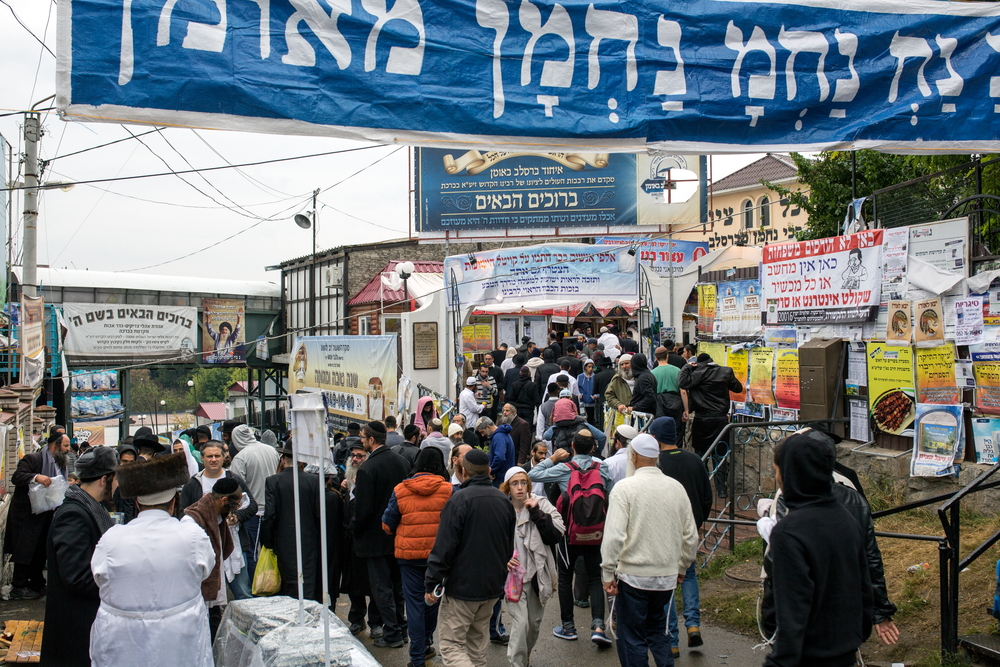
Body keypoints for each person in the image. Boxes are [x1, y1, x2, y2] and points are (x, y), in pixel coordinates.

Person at [90, 453, 214, 667]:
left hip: (122, 642)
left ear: (137, 503)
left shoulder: (112, 538)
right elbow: (206, 570)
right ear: (174, 502)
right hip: (179, 640)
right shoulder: (192, 535)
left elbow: (99, 577)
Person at [762, 433, 873, 667]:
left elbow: (793, 612)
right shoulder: (846, 518)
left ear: (791, 472)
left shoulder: (789, 532)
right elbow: (864, 585)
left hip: (808, 656)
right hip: (844, 651)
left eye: (777, 470)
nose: (776, 477)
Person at [600, 433, 698, 667]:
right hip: (665, 576)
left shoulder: (624, 489)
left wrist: (607, 573)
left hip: (633, 576)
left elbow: (614, 536)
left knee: (632, 636)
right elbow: (691, 537)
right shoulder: (676, 488)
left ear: (632, 456)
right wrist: (682, 566)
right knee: (658, 630)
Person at [424, 449, 515, 667]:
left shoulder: (459, 500)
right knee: (476, 647)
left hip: (462, 588)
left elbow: (444, 547)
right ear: (489, 471)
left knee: (451, 645)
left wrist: (432, 583)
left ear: (463, 470)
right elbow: (508, 546)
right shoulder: (503, 501)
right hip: (491, 587)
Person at [528, 431, 613, 645]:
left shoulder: (564, 469)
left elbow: (532, 474)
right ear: (594, 448)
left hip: (569, 532)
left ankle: (568, 627)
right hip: (596, 531)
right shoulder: (601, 468)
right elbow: (609, 491)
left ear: (573, 445)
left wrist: (552, 459)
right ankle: (598, 626)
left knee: (565, 577)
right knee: (595, 577)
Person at [40, 447, 117, 667]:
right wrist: (119, 583)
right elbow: (76, 577)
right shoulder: (74, 514)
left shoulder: (90, 507)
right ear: (104, 479)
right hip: (75, 632)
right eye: (115, 478)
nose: (117, 485)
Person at [382, 448, 453, 667]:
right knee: (432, 600)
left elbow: (387, 524)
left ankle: (417, 657)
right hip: (439, 557)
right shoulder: (449, 490)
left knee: (413, 604)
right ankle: (426, 642)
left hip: (409, 557)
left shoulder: (401, 489)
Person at [648, 417, 712, 658]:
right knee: (689, 574)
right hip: (689, 529)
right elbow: (707, 497)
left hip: (664, 531)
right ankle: (693, 624)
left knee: (667, 582)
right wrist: (696, 521)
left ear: (654, 438)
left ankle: (672, 640)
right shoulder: (694, 459)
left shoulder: (656, 464)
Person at [354, 421, 412, 648]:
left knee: (381, 587)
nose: (360, 440)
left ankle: (394, 632)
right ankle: (401, 628)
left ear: (371, 440)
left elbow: (363, 509)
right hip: (398, 534)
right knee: (396, 585)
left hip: (374, 537)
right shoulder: (402, 462)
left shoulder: (368, 468)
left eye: (362, 437)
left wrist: (355, 528)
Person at [179, 441, 257, 600]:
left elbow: (252, 506)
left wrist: (238, 517)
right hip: (204, 544)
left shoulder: (234, 480)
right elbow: (183, 512)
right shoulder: (193, 483)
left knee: (242, 591)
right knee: (207, 593)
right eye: (209, 456)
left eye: (217, 456)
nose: (213, 459)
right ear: (202, 458)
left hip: (234, 545)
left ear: (224, 457)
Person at [503, 467, 565, 667]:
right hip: (513, 578)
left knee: (533, 625)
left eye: (523, 482)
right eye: (515, 483)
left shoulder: (542, 503)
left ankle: (525, 656)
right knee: (520, 624)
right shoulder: (501, 507)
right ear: (507, 486)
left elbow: (557, 533)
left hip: (538, 575)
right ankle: (517, 663)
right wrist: (502, 558)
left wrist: (537, 512)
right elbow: (488, 538)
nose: (520, 488)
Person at [5, 431, 70, 600]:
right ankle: (19, 587)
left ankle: (36, 583)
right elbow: (17, 477)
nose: (68, 449)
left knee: (41, 551)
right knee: (25, 551)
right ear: (54, 445)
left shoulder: (60, 463)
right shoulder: (34, 459)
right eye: (65, 446)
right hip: (27, 516)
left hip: (46, 514)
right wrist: (36, 477)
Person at [260, 440, 326, 601]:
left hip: (283, 540)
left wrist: (267, 541)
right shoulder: (313, 481)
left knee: (287, 583)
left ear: (283, 459)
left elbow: (270, 515)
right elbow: (319, 513)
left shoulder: (273, 481)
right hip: (308, 539)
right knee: (307, 582)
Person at [183, 477, 241, 641]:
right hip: (199, 598)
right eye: (235, 504)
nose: (235, 509)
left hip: (213, 599)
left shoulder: (218, 517)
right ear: (224, 500)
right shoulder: (192, 522)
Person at [679, 353, 743, 496]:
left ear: (699, 363)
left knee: (702, 454)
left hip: (702, 419)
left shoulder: (696, 374)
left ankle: (703, 487)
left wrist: (687, 367)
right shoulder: (726, 371)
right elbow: (738, 388)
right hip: (720, 420)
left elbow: (682, 383)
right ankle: (721, 489)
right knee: (720, 454)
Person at [342, 441, 383, 637]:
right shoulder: (346, 481)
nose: (356, 459)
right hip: (350, 541)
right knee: (354, 583)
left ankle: (375, 621)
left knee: (374, 583)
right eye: (354, 456)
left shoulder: (369, 477)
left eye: (360, 456)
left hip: (369, 539)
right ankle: (357, 619)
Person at [228, 424, 280, 579]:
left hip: (254, 513)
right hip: (275, 508)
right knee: (273, 549)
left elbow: (237, 490)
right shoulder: (272, 450)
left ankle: (255, 587)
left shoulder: (241, 457)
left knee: (252, 553)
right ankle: (274, 584)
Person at [542, 398, 607, 462]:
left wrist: (555, 424)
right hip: (585, 464)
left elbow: (546, 436)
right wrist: (598, 451)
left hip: (564, 466)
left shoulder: (554, 429)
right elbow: (602, 437)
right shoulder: (583, 425)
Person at [651, 347, 685, 445]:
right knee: (676, 430)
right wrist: (686, 409)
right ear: (667, 356)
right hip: (675, 403)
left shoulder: (652, 373)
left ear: (656, 358)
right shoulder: (677, 370)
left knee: (661, 430)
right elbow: (683, 391)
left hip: (659, 405)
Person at [476, 416, 515, 487]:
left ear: (488, 427)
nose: (482, 435)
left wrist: (491, 471)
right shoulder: (503, 434)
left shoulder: (498, 437)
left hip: (501, 477)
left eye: (482, 432)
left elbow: (500, 457)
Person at [604, 354, 635, 436]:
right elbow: (609, 395)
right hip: (623, 417)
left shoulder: (639, 378)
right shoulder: (617, 380)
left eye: (627, 363)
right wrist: (618, 404)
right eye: (622, 364)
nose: (624, 366)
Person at [578, 360, 598, 425]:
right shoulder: (580, 377)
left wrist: (596, 396)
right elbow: (576, 388)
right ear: (585, 367)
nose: (591, 369)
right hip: (582, 402)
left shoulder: (595, 377)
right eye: (589, 367)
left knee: (591, 419)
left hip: (592, 402)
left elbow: (598, 389)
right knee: (582, 419)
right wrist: (579, 394)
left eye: (592, 367)